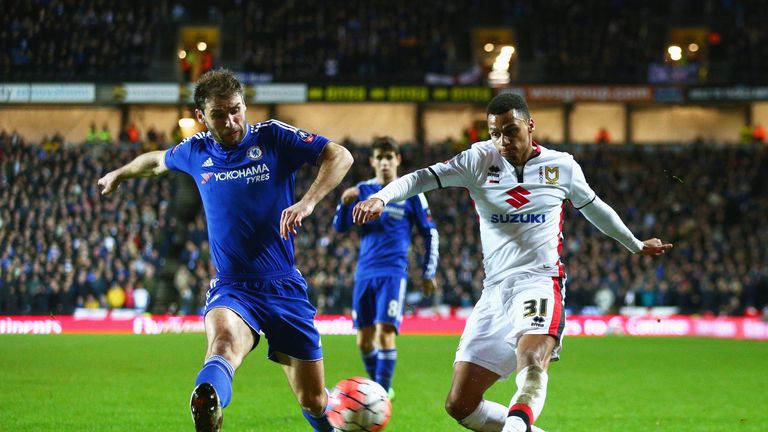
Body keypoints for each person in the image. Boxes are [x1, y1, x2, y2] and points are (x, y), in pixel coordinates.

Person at [352, 93, 672, 432]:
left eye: (511, 130)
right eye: (494, 133)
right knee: (459, 404)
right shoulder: (477, 160)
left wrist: (634, 244)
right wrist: (381, 196)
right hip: (495, 291)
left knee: (532, 362)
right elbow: (422, 178)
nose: (503, 140)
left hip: (540, 281)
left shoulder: (561, 166)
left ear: (530, 125)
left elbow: (594, 207)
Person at [98, 68, 353, 432]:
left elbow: (339, 155)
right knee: (223, 344)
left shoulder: (274, 137)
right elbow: (155, 161)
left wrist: (308, 202)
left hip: (284, 287)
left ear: (245, 105)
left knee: (313, 400)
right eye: (219, 114)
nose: (231, 121)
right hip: (233, 287)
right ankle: (208, 401)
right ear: (202, 117)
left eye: (236, 109)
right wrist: (118, 174)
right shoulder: (196, 150)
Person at [332, 136, 439, 399]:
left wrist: (428, 271)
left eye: (389, 157)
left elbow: (430, 233)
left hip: (393, 272)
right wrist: (344, 205)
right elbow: (340, 227)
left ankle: (381, 393)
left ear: (397, 160)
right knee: (364, 341)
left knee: (384, 334)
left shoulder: (410, 192)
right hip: (365, 272)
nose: (384, 162)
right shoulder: (362, 190)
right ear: (372, 161)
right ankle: (377, 388)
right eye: (379, 157)